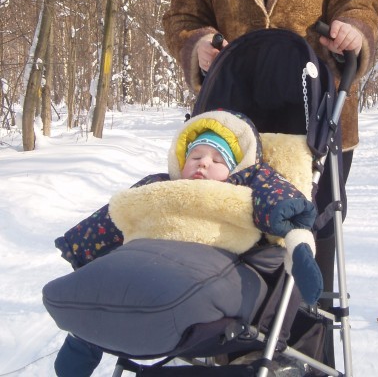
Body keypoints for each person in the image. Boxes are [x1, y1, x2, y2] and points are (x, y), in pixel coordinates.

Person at [162, 0, 378, 366]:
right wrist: (198, 43)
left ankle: (306, 351)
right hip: (234, 121)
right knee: (229, 226)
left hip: (318, 115)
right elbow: (181, 16)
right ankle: (231, 345)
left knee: (310, 230)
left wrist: (354, 26)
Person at [53, 109, 322, 377]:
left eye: (217, 159)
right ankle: (84, 334)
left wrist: (299, 245)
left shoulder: (245, 187)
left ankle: (86, 333)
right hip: (144, 253)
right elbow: (114, 216)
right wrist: (79, 248)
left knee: (153, 295)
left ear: (237, 168)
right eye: (195, 156)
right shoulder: (160, 184)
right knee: (102, 286)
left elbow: (280, 201)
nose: (203, 163)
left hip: (207, 261)